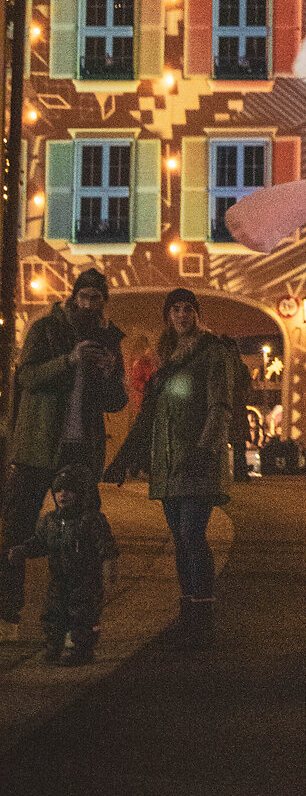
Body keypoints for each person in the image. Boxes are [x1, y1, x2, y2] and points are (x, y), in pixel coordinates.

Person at [1, 267, 127, 633]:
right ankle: (8, 602)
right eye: (84, 297)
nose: (89, 304)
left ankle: (80, 614)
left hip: (80, 450)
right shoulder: (45, 329)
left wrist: (109, 372)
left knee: (84, 533)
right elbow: (27, 377)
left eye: (96, 298)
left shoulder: (109, 339)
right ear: (74, 297)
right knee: (18, 526)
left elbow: (116, 401)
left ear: (104, 301)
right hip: (38, 445)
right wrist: (69, 360)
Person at [134, 289, 233, 649]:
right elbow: (157, 412)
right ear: (167, 315)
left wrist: (205, 450)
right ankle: (188, 613)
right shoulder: (164, 357)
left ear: (196, 313)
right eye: (174, 309)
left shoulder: (211, 351)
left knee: (193, 534)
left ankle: (202, 617)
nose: (181, 315)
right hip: (168, 461)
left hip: (196, 460)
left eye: (187, 309)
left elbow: (220, 405)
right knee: (179, 539)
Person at [7, 464, 118, 664]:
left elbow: (106, 547)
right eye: (58, 490)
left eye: (68, 490)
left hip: (85, 580)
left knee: (82, 615)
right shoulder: (51, 521)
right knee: (53, 612)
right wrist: (22, 551)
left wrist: (108, 570)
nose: (62, 495)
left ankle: (80, 649)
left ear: (80, 493)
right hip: (59, 578)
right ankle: (54, 645)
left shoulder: (91, 520)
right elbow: (40, 543)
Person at [219, 335, 254, 483]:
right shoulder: (240, 366)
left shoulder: (219, 363)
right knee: (239, 443)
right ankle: (240, 472)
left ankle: (219, 473)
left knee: (219, 440)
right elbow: (247, 386)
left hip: (222, 404)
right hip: (237, 405)